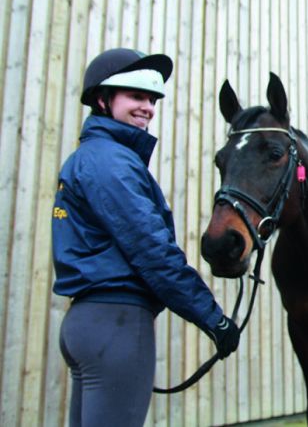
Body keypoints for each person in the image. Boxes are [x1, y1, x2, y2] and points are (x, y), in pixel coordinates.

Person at [52, 48, 241, 426]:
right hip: (117, 324)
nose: (148, 108)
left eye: (152, 99)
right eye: (136, 96)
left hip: (86, 324)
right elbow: (152, 250)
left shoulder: (88, 158)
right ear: (103, 100)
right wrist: (213, 318)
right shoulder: (111, 162)